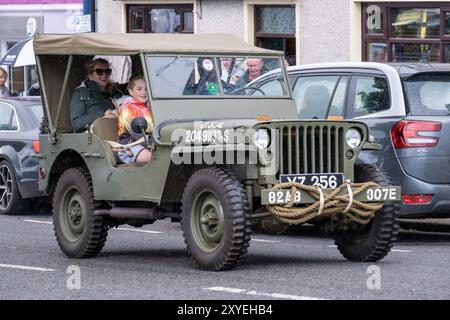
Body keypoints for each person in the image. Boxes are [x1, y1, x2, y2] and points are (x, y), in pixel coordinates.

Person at [70, 58, 119, 133]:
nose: (104, 75)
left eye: (107, 71)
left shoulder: (115, 92)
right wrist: (102, 114)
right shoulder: (81, 93)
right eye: (99, 72)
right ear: (90, 76)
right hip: (94, 139)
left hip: (118, 133)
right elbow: (76, 123)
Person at [117, 75, 153, 164]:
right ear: (131, 91)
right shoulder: (128, 108)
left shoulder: (148, 107)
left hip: (148, 143)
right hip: (130, 146)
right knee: (155, 158)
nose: (144, 92)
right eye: (139, 89)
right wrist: (152, 144)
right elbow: (134, 133)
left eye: (146, 89)